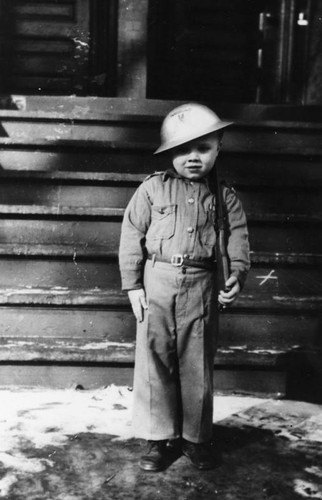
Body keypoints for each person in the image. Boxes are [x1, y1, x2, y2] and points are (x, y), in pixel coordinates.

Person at [119, 103, 250, 472]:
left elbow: (238, 239)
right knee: (154, 361)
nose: (192, 157)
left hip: (202, 285)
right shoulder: (151, 190)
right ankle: (159, 439)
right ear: (169, 153)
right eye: (182, 150)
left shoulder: (224, 197)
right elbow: (132, 234)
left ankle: (196, 439)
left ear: (218, 146)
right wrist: (132, 285)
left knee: (197, 364)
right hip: (156, 282)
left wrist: (236, 276)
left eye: (203, 148)